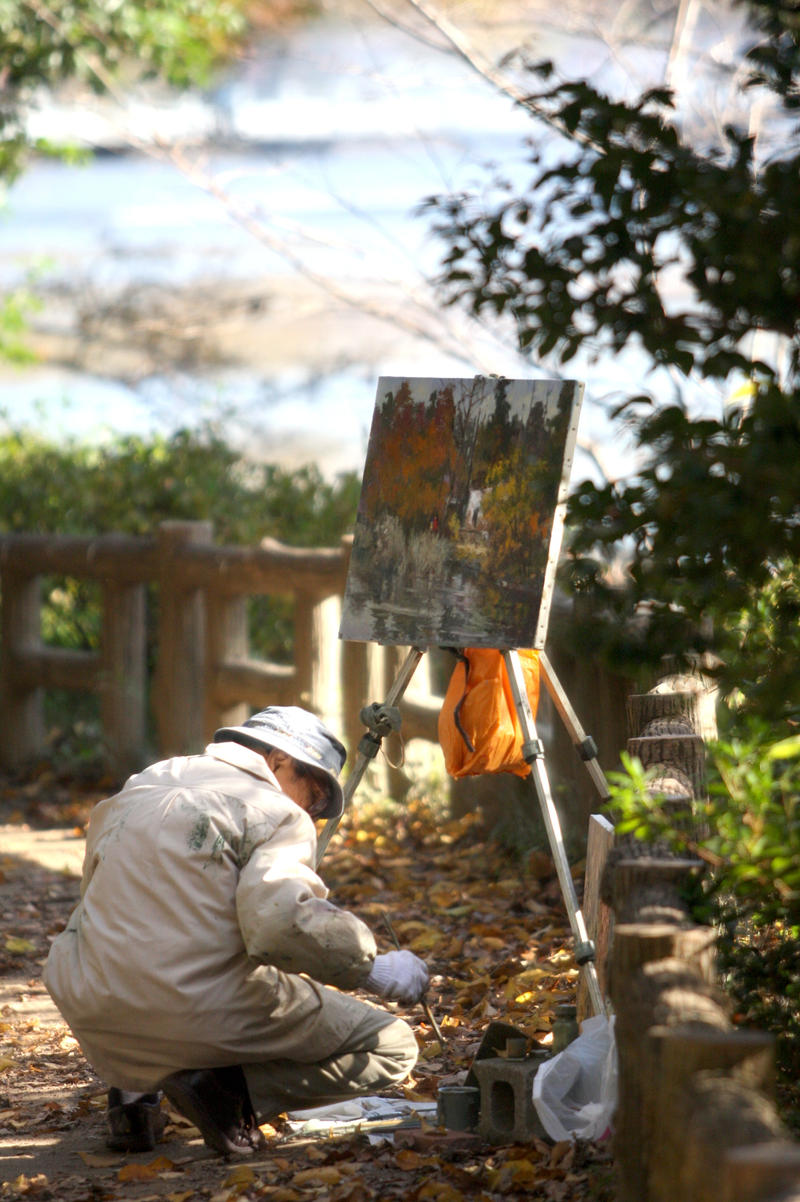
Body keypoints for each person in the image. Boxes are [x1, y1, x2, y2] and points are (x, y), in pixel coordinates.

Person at [43, 706, 429, 1157]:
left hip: (90, 999)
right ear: (279, 760)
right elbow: (280, 925)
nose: (314, 810)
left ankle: (133, 1095)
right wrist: (373, 967)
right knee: (393, 1046)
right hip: (191, 1007)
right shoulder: (276, 812)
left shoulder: (148, 781)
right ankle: (224, 1095)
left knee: (155, 955)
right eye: (316, 792)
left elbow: (98, 899)